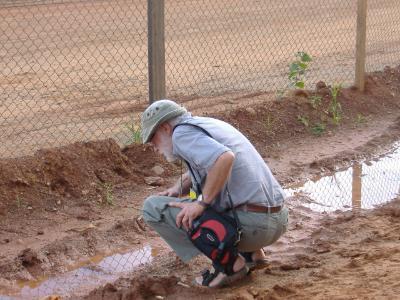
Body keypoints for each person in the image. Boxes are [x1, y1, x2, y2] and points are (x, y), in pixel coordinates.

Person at [141, 99, 288, 288]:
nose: (153, 145)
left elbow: (224, 158)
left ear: (166, 128)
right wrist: (178, 189)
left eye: (153, 137)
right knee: (204, 194)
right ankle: (252, 254)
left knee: (152, 207)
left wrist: (200, 203)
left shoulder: (182, 135)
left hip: (257, 227)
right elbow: (209, 162)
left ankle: (230, 265)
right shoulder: (205, 124)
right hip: (277, 220)